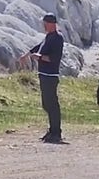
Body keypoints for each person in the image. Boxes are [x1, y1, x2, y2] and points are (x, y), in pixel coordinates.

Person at [19, 13, 65, 144]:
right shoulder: (48, 37)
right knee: (46, 103)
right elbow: (37, 47)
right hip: (44, 74)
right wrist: (26, 55)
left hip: (51, 75)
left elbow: (54, 58)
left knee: (52, 103)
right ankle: (52, 130)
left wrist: (38, 57)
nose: (43, 26)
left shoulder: (57, 38)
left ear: (51, 24)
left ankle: (56, 132)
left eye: (45, 23)